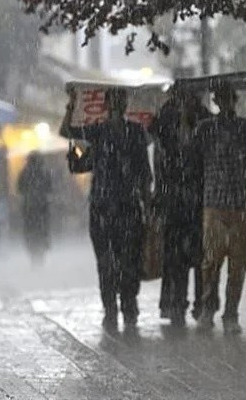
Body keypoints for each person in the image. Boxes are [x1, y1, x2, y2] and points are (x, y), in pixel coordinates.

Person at [60, 88, 152, 332]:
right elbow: (67, 133)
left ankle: (128, 306)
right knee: (106, 262)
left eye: (121, 100)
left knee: (129, 261)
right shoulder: (98, 132)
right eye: (114, 100)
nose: (118, 104)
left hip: (129, 208)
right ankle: (111, 308)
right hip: (103, 209)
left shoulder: (135, 133)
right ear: (108, 104)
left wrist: (147, 202)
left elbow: (144, 172)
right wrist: (71, 105)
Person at [194, 79, 246, 335]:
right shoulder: (206, 128)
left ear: (234, 100)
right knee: (211, 261)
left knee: (237, 265)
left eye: (229, 98)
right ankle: (208, 308)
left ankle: (231, 313)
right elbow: (187, 144)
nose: (225, 102)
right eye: (221, 98)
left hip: (240, 204)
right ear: (217, 102)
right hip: (215, 205)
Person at [149, 88, 216, 327]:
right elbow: (158, 149)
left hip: (196, 198)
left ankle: (201, 304)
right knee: (175, 255)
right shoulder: (166, 116)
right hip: (175, 199)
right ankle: (176, 304)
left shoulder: (204, 118)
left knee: (199, 256)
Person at [17, 151, 52, 266]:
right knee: (41, 231)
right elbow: (50, 188)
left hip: (29, 208)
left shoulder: (24, 173)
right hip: (41, 207)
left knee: (31, 232)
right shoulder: (45, 172)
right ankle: (40, 255)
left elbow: (20, 189)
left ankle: (34, 256)